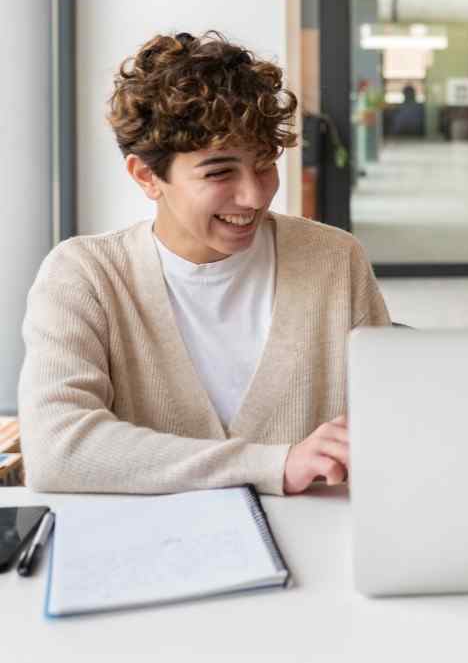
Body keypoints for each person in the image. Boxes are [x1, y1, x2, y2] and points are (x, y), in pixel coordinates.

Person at [19, 32, 392, 496]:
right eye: (219, 171)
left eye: (263, 164)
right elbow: (57, 449)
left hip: (318, 549)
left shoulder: (334, 260)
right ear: (146, 176)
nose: (254, 196)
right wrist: (274, 464)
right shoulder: (85, 275)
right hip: (150, 555)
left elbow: (389, 422)